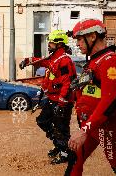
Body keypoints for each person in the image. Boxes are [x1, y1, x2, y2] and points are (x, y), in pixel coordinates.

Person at [67, 18, 116, 176]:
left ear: (92, 37)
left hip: (108, 128)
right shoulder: (93, 62)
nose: (77, 44)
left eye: (80, 39)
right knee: (75, 161)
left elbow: (109, 101)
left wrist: (84, 130)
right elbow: (89, 92)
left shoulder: (110, 61)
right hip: (92, 125)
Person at [19, 30, 77, 164]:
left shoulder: (64, 61)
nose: (48, 44)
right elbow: (41, 61)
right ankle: (60, 145)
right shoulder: (54, 58)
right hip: (52, 99)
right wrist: (27, 61)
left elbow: (67, 83)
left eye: (51, 42)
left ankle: (65, 153)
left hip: (61, 102)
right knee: (42, 121)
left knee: (61, 128)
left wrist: (61, 104)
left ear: (59, 44)